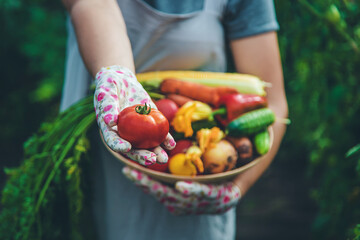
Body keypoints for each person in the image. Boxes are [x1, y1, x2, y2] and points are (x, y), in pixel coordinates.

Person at [60, 0, 288, 239]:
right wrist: (118, 74)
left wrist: (237, 188)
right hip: (105, 174)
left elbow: (273, 105)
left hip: (201, 193)